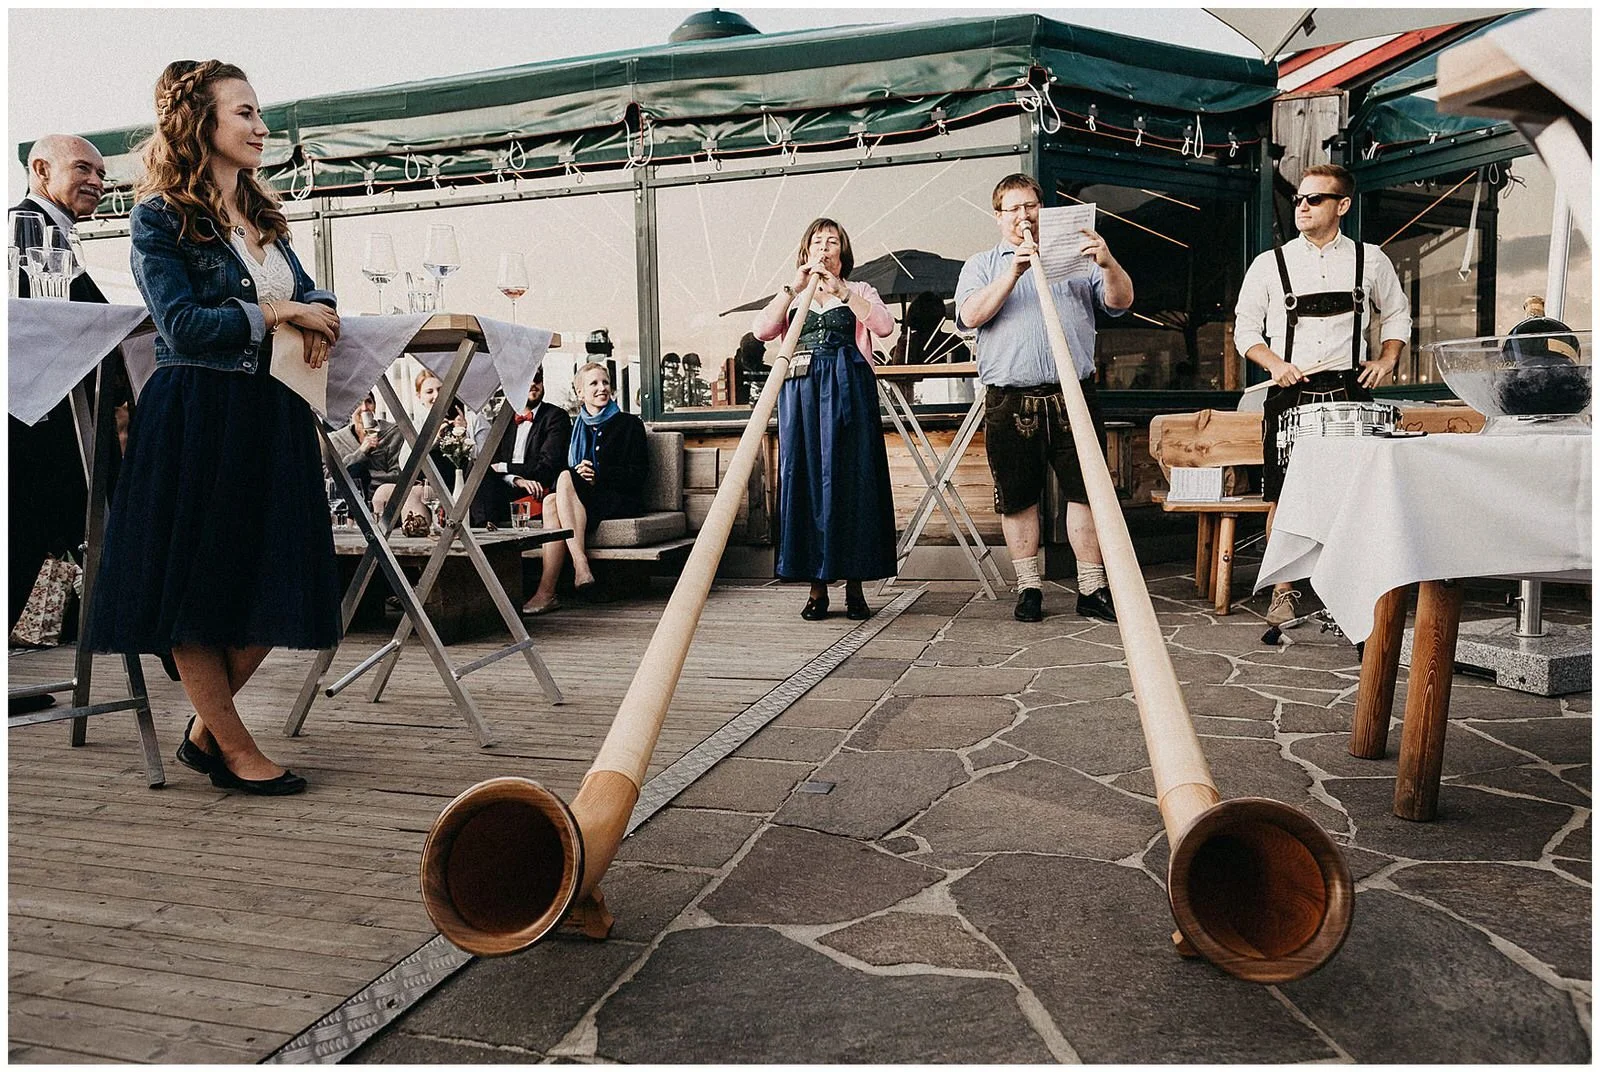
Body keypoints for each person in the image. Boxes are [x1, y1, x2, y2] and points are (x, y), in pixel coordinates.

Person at [85, 60, 342, 795]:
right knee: (199, 588)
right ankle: (234, 747)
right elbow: (182, 326)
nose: (263, 128)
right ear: (202, 122)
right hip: (202, 413)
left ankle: (205, 730)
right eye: (246, 114)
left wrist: (317, 307)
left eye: (260, 115)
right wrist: (275, 315)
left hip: (272, 413)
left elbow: (302, 284)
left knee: (282, 570)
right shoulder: (160, 216)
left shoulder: (262, 214)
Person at [1234, 163, 1411, 626]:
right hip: (1290, 392)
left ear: (1342, 206)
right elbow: (1245, 330)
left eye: (1314, 199)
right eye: (1298, 200)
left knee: (1351, 497)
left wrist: (1387, 359)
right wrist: (1275, 365)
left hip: (1349, 389)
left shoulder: (1370, 260)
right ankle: (1283, 591)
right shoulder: (1269, 264)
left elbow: (1396, 315)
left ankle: (1343, 591)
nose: (1303, 207)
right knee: (1284, 495)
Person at [955, 173, 1132, 623]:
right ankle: (1028, 588)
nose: (1023, 216)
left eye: (1030, 206)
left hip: (1074, 393)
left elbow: (1121, 302)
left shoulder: (1075, 256)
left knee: (1086, 493)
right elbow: (972, 314)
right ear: (998, 217)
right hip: (1009, 400)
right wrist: (1014, 270)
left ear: (1042, 210)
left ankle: (1091, 588)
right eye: (1012, 209)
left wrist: (1108, 263)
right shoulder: (980, 264)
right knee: (1017, 498)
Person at [8, 135, 131, 712]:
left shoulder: (54, 232)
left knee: (45, 536)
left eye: (102, 174)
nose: (97, 182)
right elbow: (55, 322)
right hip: (36, 423)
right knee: (33, 533)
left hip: (52, 417)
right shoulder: (25, 229)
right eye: (83, 168)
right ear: (40, 170)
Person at [751, 217, 897, 621]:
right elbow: (762, 330)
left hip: (850, 396)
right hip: (802, 399)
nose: (825, 247)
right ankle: (816, 587)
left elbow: (884, 327)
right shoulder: (796, 297)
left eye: (833, 242)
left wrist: (845, 292)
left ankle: (854, 586)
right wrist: (793, 288)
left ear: (842, 252)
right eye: (818, 241)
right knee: (807, 482)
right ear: (805, 251)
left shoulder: (859, 289)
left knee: (853, 483)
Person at [522, 363, 646, 614]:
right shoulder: (573, 428)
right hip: (583, 499)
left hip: (618, 498)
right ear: (580, 393)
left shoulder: (629, 424)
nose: (602, 388)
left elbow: (638, 475)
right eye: (594, 384)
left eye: (605, 383)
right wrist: (581, 476)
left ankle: (564, 578)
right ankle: (559, 583)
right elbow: (559, 474)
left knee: (565, 481)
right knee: (552, 497)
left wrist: (598, 476)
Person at [473, 365, 571, 526]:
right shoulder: (502, 419)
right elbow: (491, 464)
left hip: (537, 493)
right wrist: (516, 479)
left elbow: (546, 467)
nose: (533, 383)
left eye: (537, 378)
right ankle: (482, 531)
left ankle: (484, 536)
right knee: (475, 467)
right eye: (526, 380)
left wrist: (504, 467)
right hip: (505, 491)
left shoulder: (556, 417)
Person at [327, 392, 401, 505]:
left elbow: (398, 475)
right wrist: (361, 452)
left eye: (369, 402)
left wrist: (361, 480)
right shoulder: (336, 439)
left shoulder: (393, 433)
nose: (364, 408)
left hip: (385, 499)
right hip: (347, 502)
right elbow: (331, 478)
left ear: (375, 406)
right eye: (357, 404)